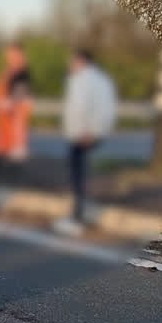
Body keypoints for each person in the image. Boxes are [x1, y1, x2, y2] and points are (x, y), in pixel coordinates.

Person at [54, 48, 117, 237]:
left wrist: (92, 132)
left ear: (81, 61)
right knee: (77, 175)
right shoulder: (81, 80)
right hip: (78, 134)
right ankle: (77, 214)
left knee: (79, 176)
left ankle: (77, 218)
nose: (70, 65)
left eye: (72, 61)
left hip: (84, 135)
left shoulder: (92, 81)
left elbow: (102, 109)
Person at [0, 43, 33, 182]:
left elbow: (21, 93)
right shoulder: (11, 70)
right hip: (5, 110)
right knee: (4, 139)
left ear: (18, 54)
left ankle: (15, 171)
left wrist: (11, 105)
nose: (8, 58)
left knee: (16, 140)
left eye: (11, 55)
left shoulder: (21, 72)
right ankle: (0, 164)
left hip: (14, 110)